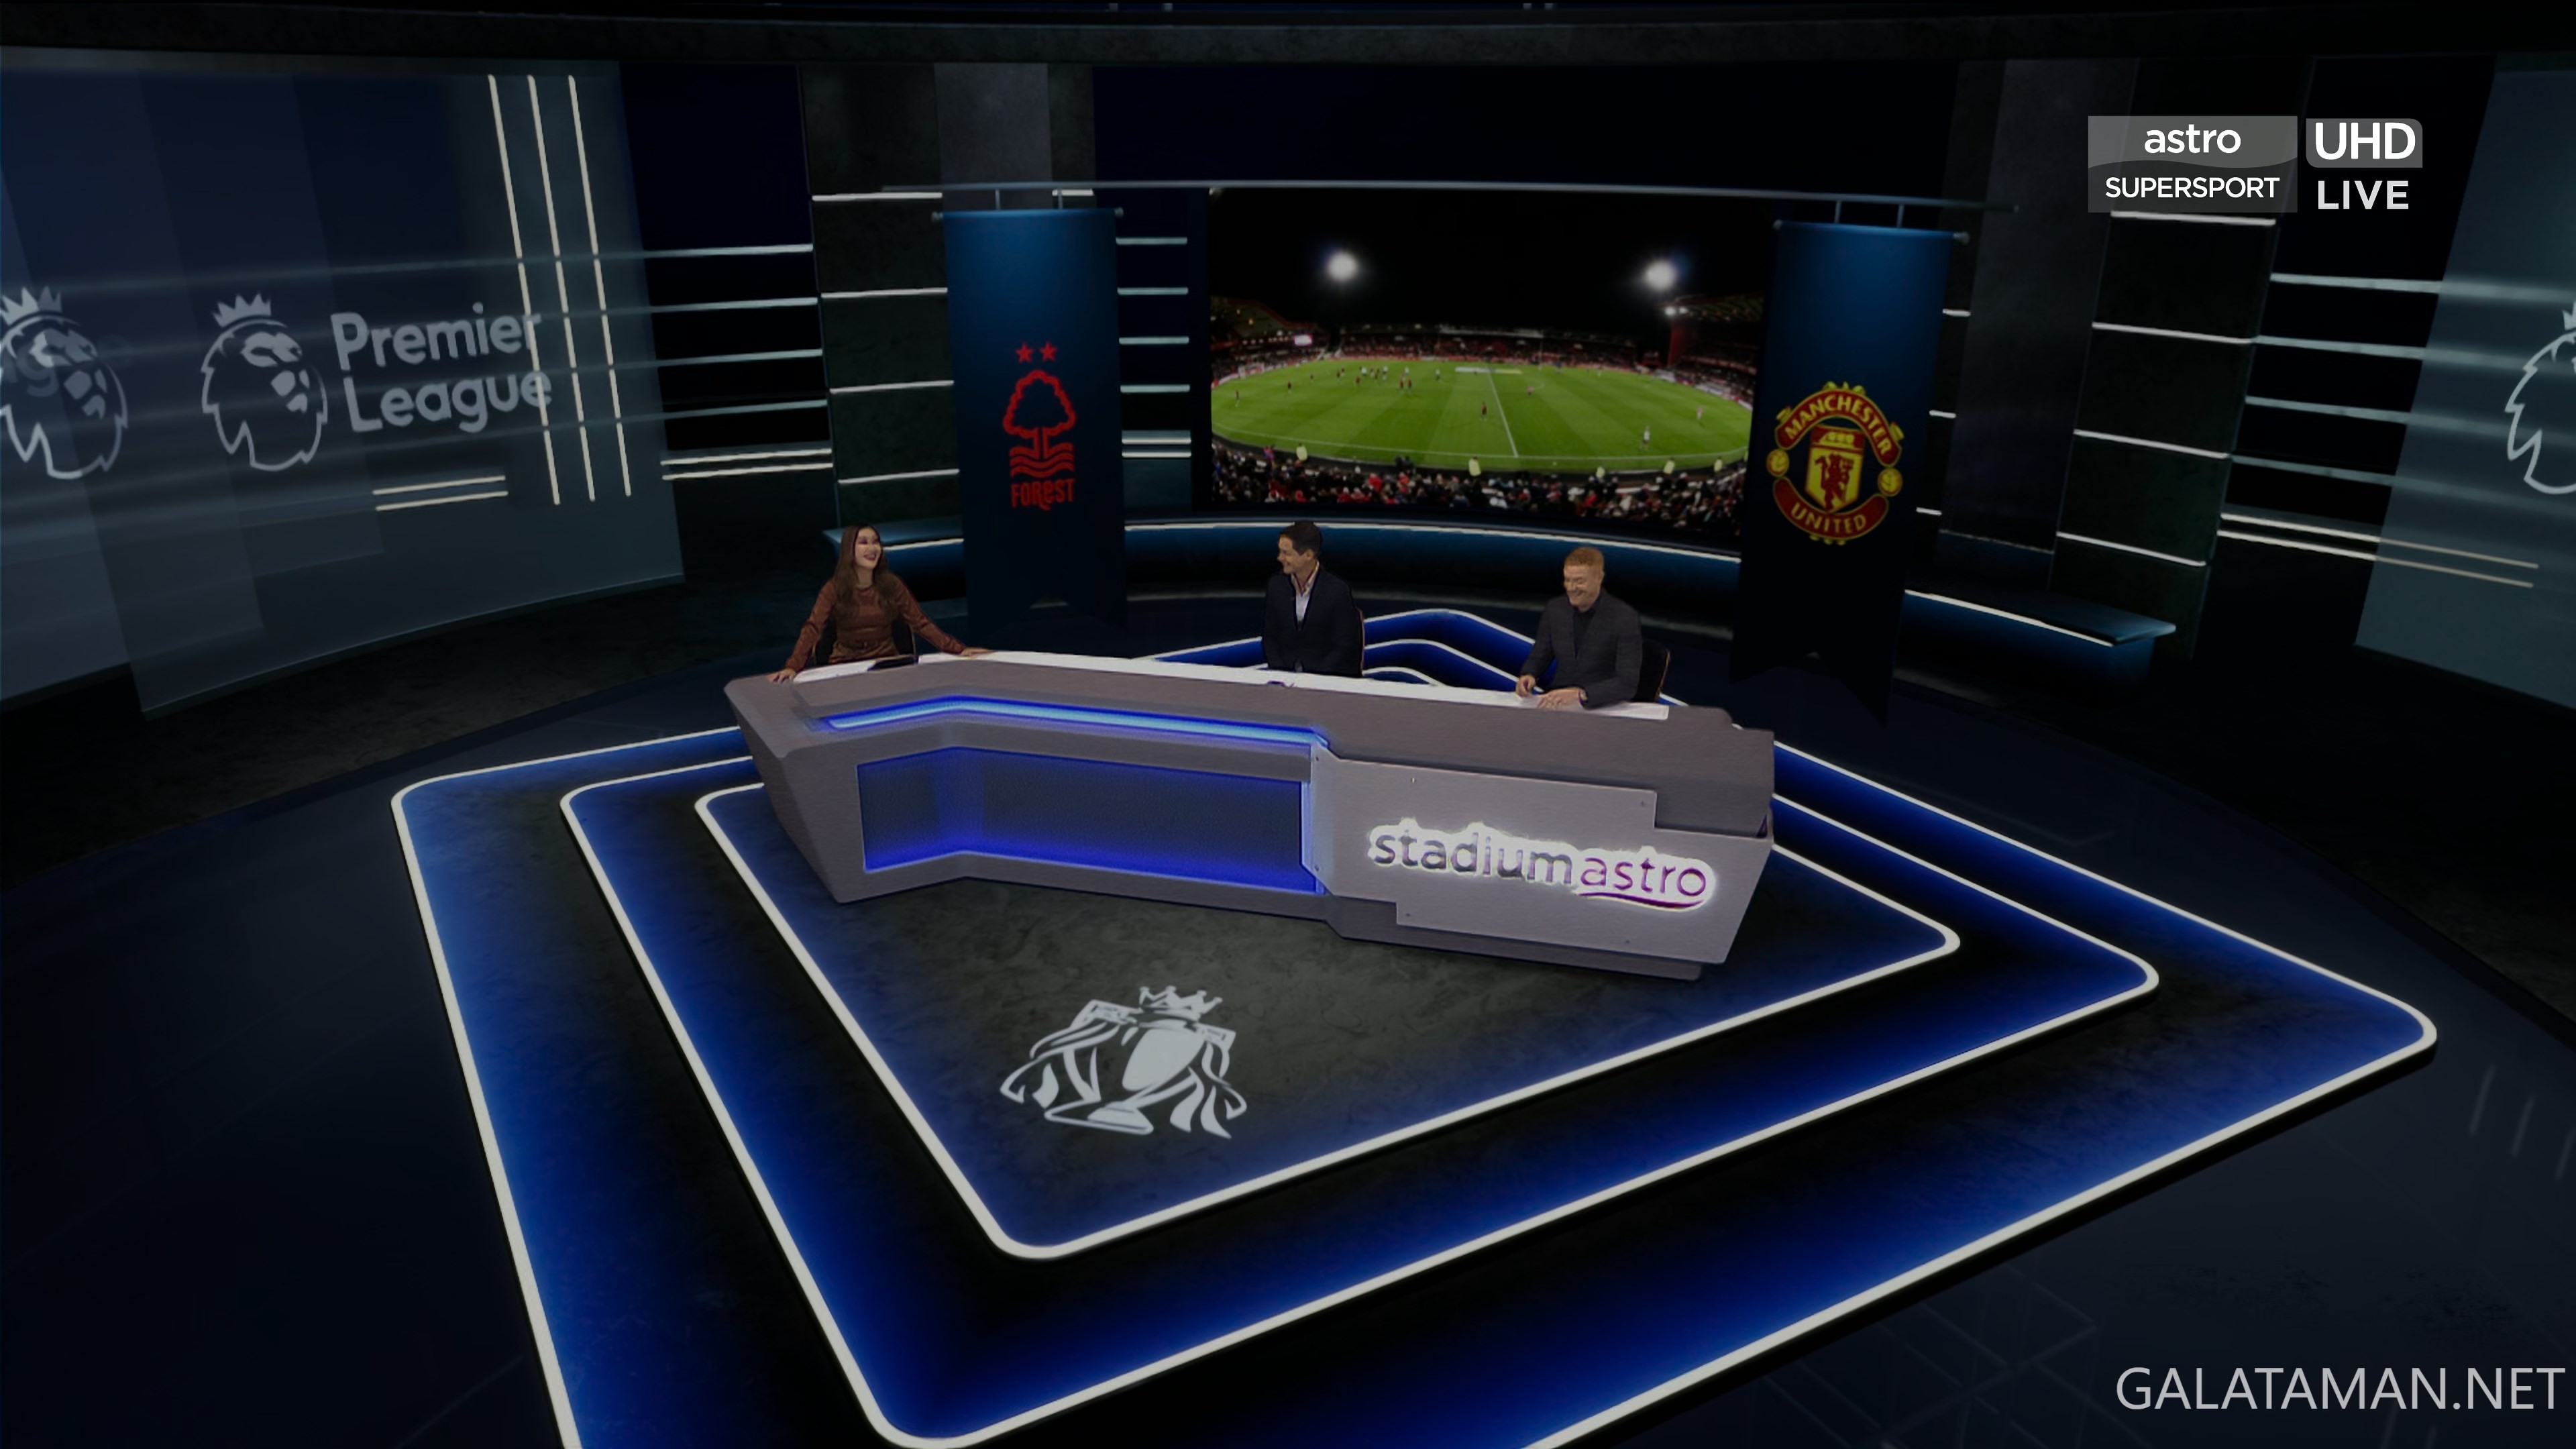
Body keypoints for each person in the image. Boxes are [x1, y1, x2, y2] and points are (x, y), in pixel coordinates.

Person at [768, 523, 986, 680]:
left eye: (875, 542)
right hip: (846, 669)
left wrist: (958, 650)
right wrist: (793, 667)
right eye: (864, 543)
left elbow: (920, 623)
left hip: (887, 665)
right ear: (849, 550)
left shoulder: (892, 584)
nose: (872, 548)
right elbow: (813, 628)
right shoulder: (833, 588)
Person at [1515, 545, 1643, 710]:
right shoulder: (1555, 609)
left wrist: (1581, 695)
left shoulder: (1624, 617)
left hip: (1602, 707)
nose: (1571, 588)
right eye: (1567, 580)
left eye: (1579, 581)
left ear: (1599, 578)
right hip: (1556, 703)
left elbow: (1627, 684)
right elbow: (1541, 653)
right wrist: (1529, 674)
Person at [1262, 520, 1363, 678]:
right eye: (1280, 552)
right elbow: (1270, 639)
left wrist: (1313, 680)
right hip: (1284, 679)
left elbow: (1344, 647)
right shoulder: (1276, 586)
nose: (1280, 558)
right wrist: (1281, 674)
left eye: (1286, 553)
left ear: (1308, 555)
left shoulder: (1337, 591)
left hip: (1326, 679)